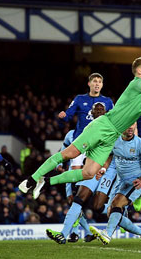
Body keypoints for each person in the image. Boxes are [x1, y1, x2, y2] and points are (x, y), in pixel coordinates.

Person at [18, 57, 141, 199]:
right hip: (103, 126)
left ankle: (46, 181)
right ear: (139, 71)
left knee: (88, 173)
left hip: (112, 135)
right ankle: (32, 178)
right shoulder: (137, 83)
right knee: (70, 154)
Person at [45, 102, 110, 244]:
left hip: (94, 170)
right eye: (96, 109)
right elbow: (64, 150)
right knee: (75, 201)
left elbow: (109, 152)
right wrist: (60, 164)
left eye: (101, 109)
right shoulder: (73, 134)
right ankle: (74, 233)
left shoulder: (107, 128)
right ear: (89, 114)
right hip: (75, 172)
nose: (99, 111)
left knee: (94, 206)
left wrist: (104, 168)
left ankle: (118, 211)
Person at [90, 123, 141, 246]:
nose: (130, 128)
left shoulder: (140, 144)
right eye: (128, 125)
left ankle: (107, 234)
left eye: (133, 126)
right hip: (120, 182)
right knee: (112, 213)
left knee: (117, 203)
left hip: (134, 182)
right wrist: (103, 170)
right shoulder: (115, 141)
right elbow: (109, 158)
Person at [58, 73, 114, 171]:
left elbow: (114, 119)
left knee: (95, 172)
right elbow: (68, 116)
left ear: (102, 85)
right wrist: (63, 116)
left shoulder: (108, 101)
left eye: (100, 82)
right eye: (95, 81)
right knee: (75, 171)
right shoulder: (79, 99)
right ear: (89, 83)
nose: (97, 84)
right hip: (80, 139)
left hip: (98, 141)